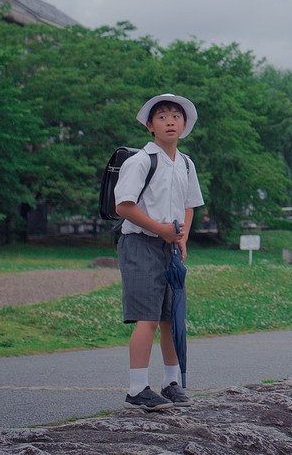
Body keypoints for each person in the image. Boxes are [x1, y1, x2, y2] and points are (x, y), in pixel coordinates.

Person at [113, 93, 204, 411]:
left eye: (175, 116)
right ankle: (137, 389)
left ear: (185, 124)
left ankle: (171, 383)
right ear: (150, 125)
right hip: (140, 244)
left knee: (171, 318)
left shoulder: (186, 163)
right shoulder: (140, 161)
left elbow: (190, 205)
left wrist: (182, 238)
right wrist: (161, 229)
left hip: (170, 248)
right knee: (147, 318)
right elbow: (123, 206)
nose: (169, 121)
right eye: (162, 116)